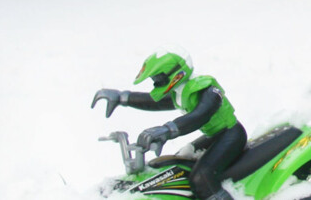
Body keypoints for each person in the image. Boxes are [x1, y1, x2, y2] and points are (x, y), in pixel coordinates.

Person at [92, 52, 246, 200]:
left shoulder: (206, 88)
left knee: (201, 177)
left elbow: (201, 114)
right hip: (214, 135)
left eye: (159, 78)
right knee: (179, 163)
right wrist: (123, 97)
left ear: (176, 73)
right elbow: (155, 102)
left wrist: (168, 130)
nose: (156, 83)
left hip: (231, 134)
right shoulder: (180, 92)